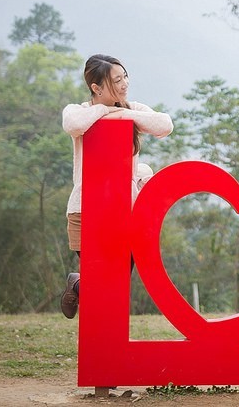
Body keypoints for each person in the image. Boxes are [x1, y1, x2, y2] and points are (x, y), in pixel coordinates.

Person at [60, 54, 173, 319]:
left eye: (125, 77)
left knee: (115, 286)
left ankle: (78, 283)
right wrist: (103, 109)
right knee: (102, 287)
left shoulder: (132, 108)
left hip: (125, 212)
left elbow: (164, 125)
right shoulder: (79, 111)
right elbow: (73, 125)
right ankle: (78, 284)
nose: (124, 84)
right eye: (116, 80)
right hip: (86, 211)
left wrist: (122, 112)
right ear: (96, 88)